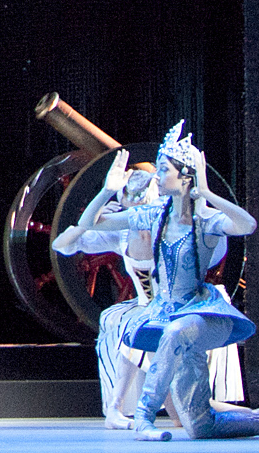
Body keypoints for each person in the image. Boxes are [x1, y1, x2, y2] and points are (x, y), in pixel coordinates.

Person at [84, 121, 259, 441]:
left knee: (174, 331)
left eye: (164, 169)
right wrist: (107, 190)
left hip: (203, 315)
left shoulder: (205, 220)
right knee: (200, 425)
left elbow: (248, 225)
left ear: (185, 178)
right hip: (166, 315)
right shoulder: (153, 216)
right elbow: (90, 223)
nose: (157, 175)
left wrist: (209, 193)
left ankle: (143, 418)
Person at [53, 154, 245, 429]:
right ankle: (117, 408)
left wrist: (204, 196)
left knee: (182, 413)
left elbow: (218, 248)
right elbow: (65, 243)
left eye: (142, 202)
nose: (137, 209)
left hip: (179, 310)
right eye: (131, 204)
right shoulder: (125, 230)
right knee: (128, 324)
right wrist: (104, 194)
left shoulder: (171, 227)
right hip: (149, 310)